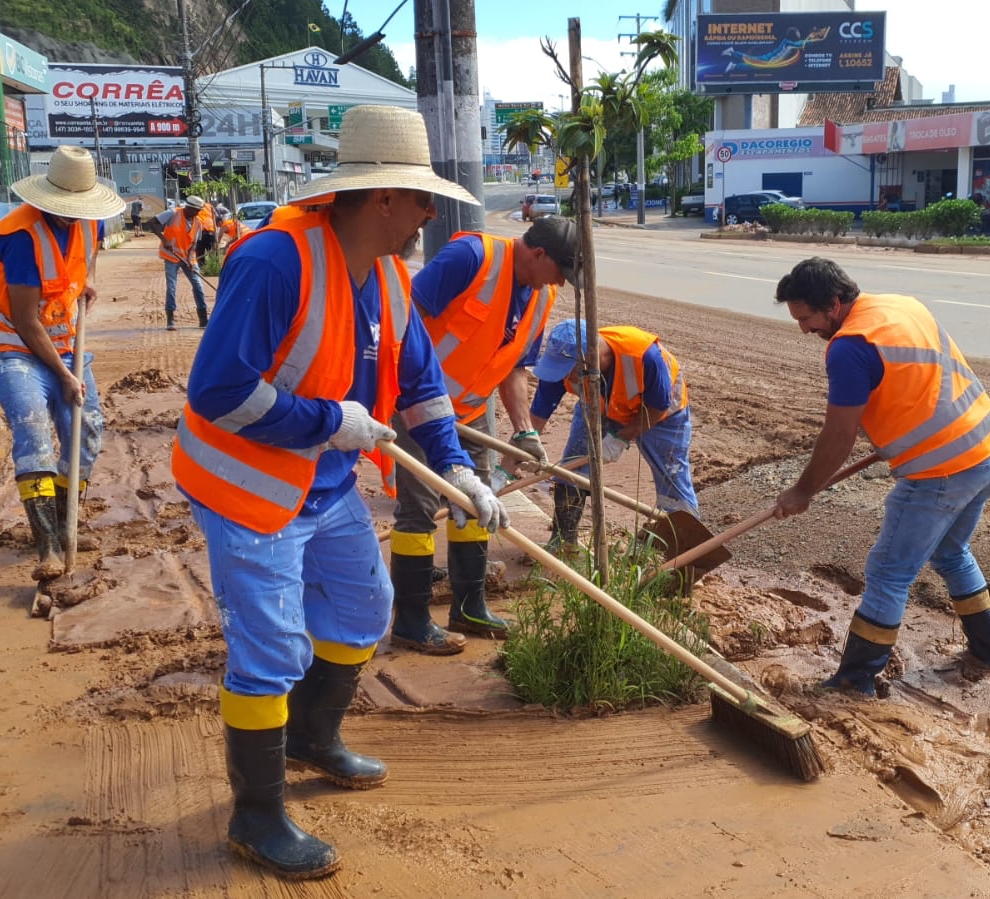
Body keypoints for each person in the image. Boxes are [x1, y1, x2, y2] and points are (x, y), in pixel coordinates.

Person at [171, 104, 506, 880]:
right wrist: (329, 420)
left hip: (323, 486)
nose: (432, 212)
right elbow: (218, 389)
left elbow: (421, 386)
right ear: (384, 198)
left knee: (363, 613)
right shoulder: (272, 261)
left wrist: (455, 465)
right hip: (246, 486)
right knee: (270, 651)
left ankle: (311, 738)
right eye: (423, 198)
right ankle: (255, 815)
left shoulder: (388, 274)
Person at [771, 257, 990, 696]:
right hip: (989, 451)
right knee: (951, 552)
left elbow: (839, 434)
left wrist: (802, 491)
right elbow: (918, 380)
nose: (804, 330)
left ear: (834, 303)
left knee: (887, 572)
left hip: (943, 471)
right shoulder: (901, 306)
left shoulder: (849, 347)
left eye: (806, 318)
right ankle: (987, 652)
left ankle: (854, 681)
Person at [388, 216, 579, 654]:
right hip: (417, 405)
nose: (562, 285)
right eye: (560, 273)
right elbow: (402, 321)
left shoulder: (540, 296)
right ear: (538, 254)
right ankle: (412, 621)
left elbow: (514, 367)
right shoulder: (472, 258)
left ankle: (469, 606)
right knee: (419, 509)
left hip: (473, 409)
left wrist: (524, 429)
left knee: (477, 504)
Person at [0, 146, 122, 583]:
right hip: (13, 347)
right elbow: (24, 320)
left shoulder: (89, 222)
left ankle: (66, 522)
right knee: (34, 429)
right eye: (64, 211)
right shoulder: (19, 237)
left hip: (63, 341)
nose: (71, 218)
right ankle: (49, 546)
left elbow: (85, 258)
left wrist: (88, 282)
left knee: (87, 427)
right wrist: (64, 376)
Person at [529, 319, 697, 552]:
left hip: (663, 414)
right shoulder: (564, 363)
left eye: (570, 371)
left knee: (672, 478)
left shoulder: (644, 356)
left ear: (591, 357)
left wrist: (620, 438)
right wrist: (527, 442)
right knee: (571, 467)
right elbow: (540, 409)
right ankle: (564, 542)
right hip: (600, 406)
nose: (567, 377)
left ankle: (685, 554)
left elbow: (657, 408)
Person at [147, 193, 210, 330]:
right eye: (196, 210)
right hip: (171, 256)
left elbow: (194, 244)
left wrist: (189, 260)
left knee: (198, 285)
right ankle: (170, 320)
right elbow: (151, 223)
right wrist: (164, 240)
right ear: (189, 207)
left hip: (188, 257)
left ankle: (203, 319)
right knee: (172, 287)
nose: (198, 213)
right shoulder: (172, 213)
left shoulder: (198, 222)